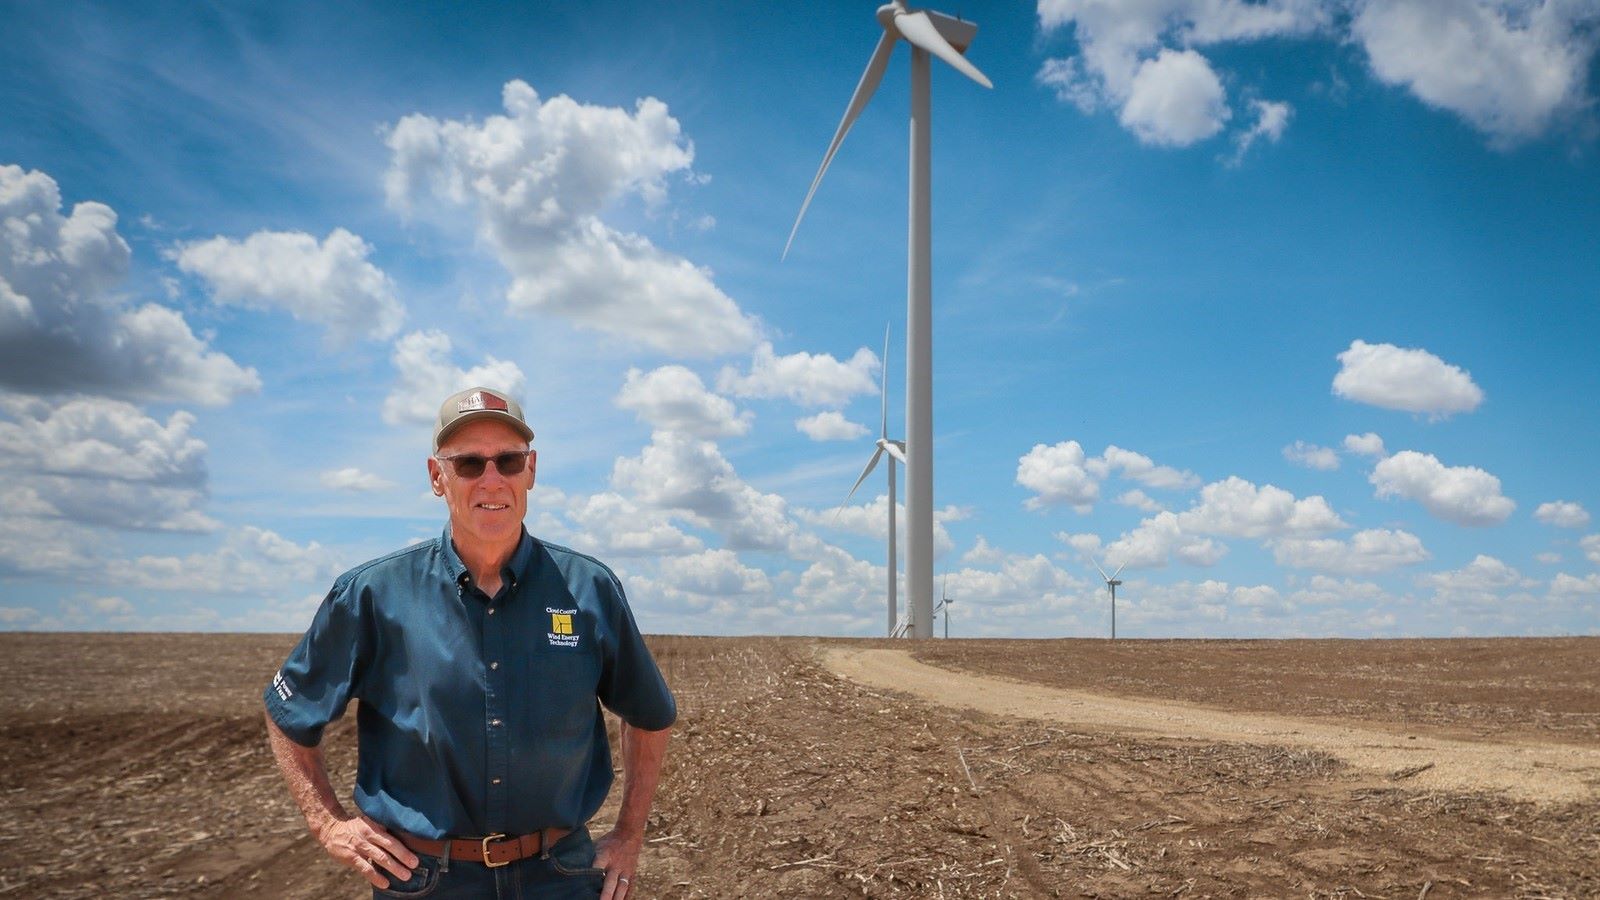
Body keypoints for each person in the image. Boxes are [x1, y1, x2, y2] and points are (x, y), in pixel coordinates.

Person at [263, 386, 676, 899]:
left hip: (560, 876)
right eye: (468, 464)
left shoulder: (589, 588)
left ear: (531, 470)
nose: (492, 479)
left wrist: (630, 835)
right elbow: (288, 712)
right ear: (437, 477)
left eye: (508, 460)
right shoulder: (372, 594)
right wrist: (328, 824)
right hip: (424, 879)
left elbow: (650, 714)